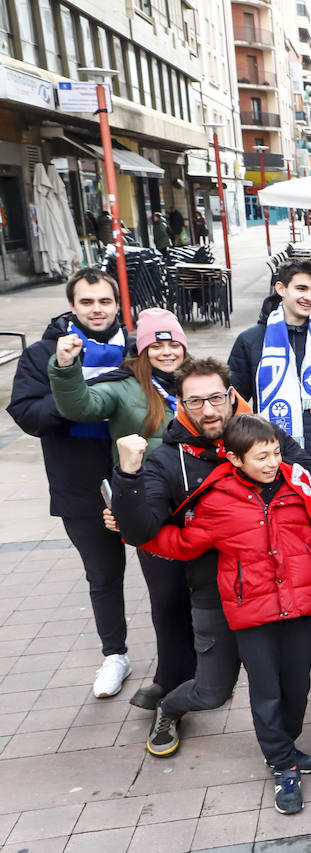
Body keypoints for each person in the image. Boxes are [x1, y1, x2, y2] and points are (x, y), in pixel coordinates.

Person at [109, 358, 311, 765]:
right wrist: (126, 495)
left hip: (289, 579)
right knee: (213, 691)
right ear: (179, 403)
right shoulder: (167, 460)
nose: (209, 409)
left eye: (217, 397)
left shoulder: (266, 437)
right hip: (216, 591)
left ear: (231, 395)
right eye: (196, 401)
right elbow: (146, 530)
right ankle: (171, 708)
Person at [141, 414, 311, 815]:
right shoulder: (216, 500)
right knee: (266, 694)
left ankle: (286, 748)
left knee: (298, 690)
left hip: (301, 608)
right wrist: (135, 530)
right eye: (260, 457)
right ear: (235, 460)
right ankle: (282, 765)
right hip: (251, 615)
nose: (271, 463)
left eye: (274, 453)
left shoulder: (296, 485)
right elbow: (182, 542)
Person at [48, 308, 194, 709]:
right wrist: (64, 366)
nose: (167, 352)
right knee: (166, 595)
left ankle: (213, 669)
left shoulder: (199, 380)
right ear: (142, 349)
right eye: (157, 344)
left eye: (173, 343)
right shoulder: (125, 385)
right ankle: (172, 677)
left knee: (209, 590)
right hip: (152, 505)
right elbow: (79, 406)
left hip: (203, 500)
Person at [7, 269, 132, 698]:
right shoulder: (45, 353)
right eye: (87, 302)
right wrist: (74, 387)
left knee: (170, 570)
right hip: (79, 483)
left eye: (105, 301)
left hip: (141, 477)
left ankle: (188, 652)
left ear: (118, 305)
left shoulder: (137, 349)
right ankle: (114, 654)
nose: (97, 310)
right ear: (73, 307)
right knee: (102, 575)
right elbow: (26, 414)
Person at [228, 258, 311, 458]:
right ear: (281, 288)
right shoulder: (251, 340)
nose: (309, 297)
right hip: (271, 457)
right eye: (301, 289)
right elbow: (233, 404)